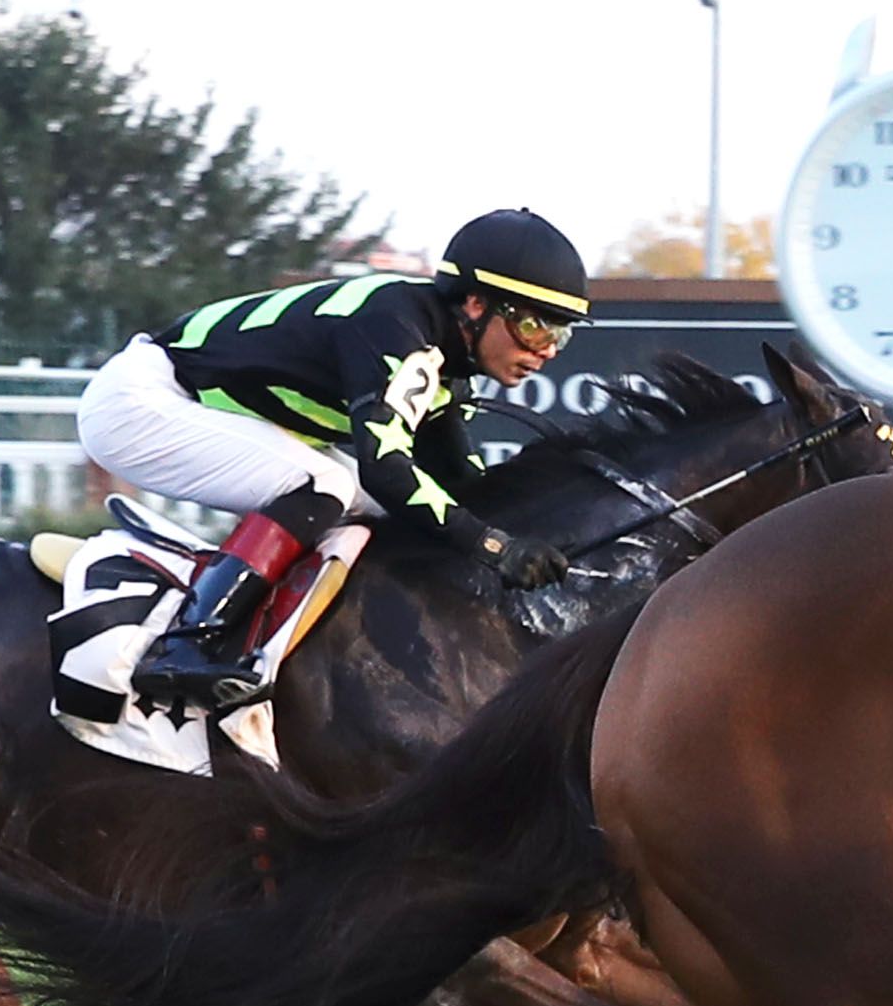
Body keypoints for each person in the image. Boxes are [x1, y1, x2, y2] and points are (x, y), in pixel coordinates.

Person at [77, 208, 592, 712]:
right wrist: (495, 546)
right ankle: (186, 645)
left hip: (188, 402)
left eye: (560, 335)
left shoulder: (445, 364)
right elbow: (387, 468)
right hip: (139, 401)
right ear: (476, 305)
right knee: (323, 482)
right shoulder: (395, 327)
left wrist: (544, 544)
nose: (547, 350)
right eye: (533, 326)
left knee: (378, 508)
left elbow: (460, 486)